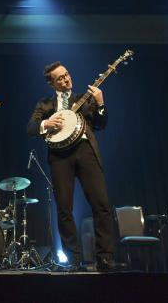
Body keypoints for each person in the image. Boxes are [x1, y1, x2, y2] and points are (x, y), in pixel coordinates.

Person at [26, 61, 125, 272]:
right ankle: (73, 260)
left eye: (67, 74)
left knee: (101, 204)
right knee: (64, 208)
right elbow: (31, 128)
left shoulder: (84, 99)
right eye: (60, 78)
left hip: (85, 151)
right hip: (60, 157)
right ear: (52, 83)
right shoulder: (45, 104)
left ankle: (105, 257)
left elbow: (100, 124)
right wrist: (47, 124)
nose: (66, 79)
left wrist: (100, 104)